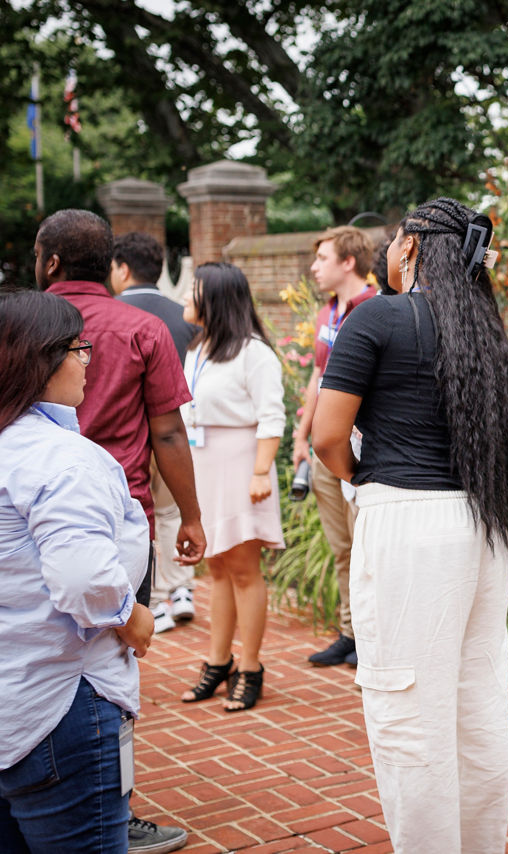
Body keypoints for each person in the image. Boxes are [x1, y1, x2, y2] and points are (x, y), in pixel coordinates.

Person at [312, 199, 508, 853]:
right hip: (481, 525)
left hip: (408, 524)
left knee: (408, 712)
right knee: (475, 703)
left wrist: (362, 478)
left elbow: (327, 437)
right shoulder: (488, 329)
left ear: (410, 248)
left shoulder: (379, 316)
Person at [35, 208, 198, 854]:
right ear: (109, 265)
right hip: (118, 524)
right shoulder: (141, 327)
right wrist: (192, 514)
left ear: (49, 262)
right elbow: (167, 432)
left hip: (24, 514)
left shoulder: (20, 323)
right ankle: (113, 806)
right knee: (114, 668)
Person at [0, 290, 154, 853]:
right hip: (63, 699)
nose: (87, 359)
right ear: (42, 358)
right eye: (78, 348)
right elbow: (84, 578)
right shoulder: (62, 458)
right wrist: (131, 616)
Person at [178, 263, 286, 713]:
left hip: (243, 466)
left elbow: (272, 416)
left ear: (216, 299)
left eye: (194, 289)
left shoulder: (253, 352)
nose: (186, 294)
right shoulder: (199, 348)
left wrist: (261, 472)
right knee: (217, 568)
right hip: (204, 466)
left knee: (243, 569)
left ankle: (252, 666)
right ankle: (218, 661)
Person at [293, 226, 378, 669]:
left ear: (348, 261)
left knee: (366, 547)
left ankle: (372, 636)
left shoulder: (374, 308)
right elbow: (318, 377)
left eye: (322, 258)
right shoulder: (328, 311)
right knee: (341, 546)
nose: (314, 267)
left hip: (357, 448)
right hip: (324, 447)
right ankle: (349, 632)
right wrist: (302, 436)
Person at [111, 231, 200, 633]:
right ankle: (180, 588)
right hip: (178, 429)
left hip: (127, 435)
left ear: (123, 268)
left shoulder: (111, 316)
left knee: (138, 515)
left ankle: (140, 598)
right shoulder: (183, 315)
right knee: (168, 511)